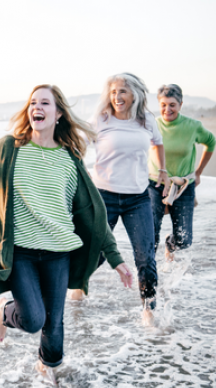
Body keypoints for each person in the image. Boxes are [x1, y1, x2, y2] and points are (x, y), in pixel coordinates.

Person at [0, 84, 132, 385]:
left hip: (59, 252)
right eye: (33, 102)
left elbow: (93, 214)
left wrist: (116, 259)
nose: (37, 107)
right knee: (34, 319)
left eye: (45, 103)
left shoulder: (69, 158)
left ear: (59, 113)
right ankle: (6, 309)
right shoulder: (9, 148)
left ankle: (49, 373)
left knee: (55, 323)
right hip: (21, 252)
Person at [82, 73, 170, 319]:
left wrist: (162, 171)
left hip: (138, 198)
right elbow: (77, 142)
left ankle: (148, 310)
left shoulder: (146, 121)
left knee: (145, 256)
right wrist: (80, 174)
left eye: (122, 91)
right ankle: (77, 288)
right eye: (113, 92)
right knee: (96, 254)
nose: (117, 97)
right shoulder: (101, 119)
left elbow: (158, 143)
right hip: (104, 198)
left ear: (135, 94)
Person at [148, 84, 216, 261]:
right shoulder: (152, 126)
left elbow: (211, 142)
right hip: (155, 184)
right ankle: (149, 273)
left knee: (184, 240)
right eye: (163, 104)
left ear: (180, 104)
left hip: (183, 186)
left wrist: (199, 172)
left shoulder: (192, 126)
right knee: (150, 233)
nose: (167, 109)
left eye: (172, 105)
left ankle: (170, 244)